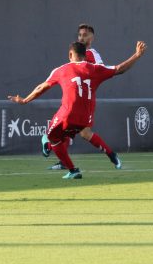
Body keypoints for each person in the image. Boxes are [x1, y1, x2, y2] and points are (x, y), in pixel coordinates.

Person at [9, 41, 147, 179]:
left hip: (68, 113)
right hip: (85, 117)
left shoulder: (62, 69)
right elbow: (120, 69)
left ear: (70, 54)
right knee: (69, 135)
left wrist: (25, 100)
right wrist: (137, 55)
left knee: (52, 137)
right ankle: (109, 155)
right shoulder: (95, 68)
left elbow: (42, 87)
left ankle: (71, 168)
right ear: (85, 56)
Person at [42, 24, 123, 170]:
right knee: (67, 128)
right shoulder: (77, 53)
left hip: (86, 99)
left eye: (85, 35)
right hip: (76, 98)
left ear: (92, 38)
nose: (81, 38)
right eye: (79, 35)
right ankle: (61, 159)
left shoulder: (92, 53)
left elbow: (100, 70)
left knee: (84, 133)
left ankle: (112, 155)